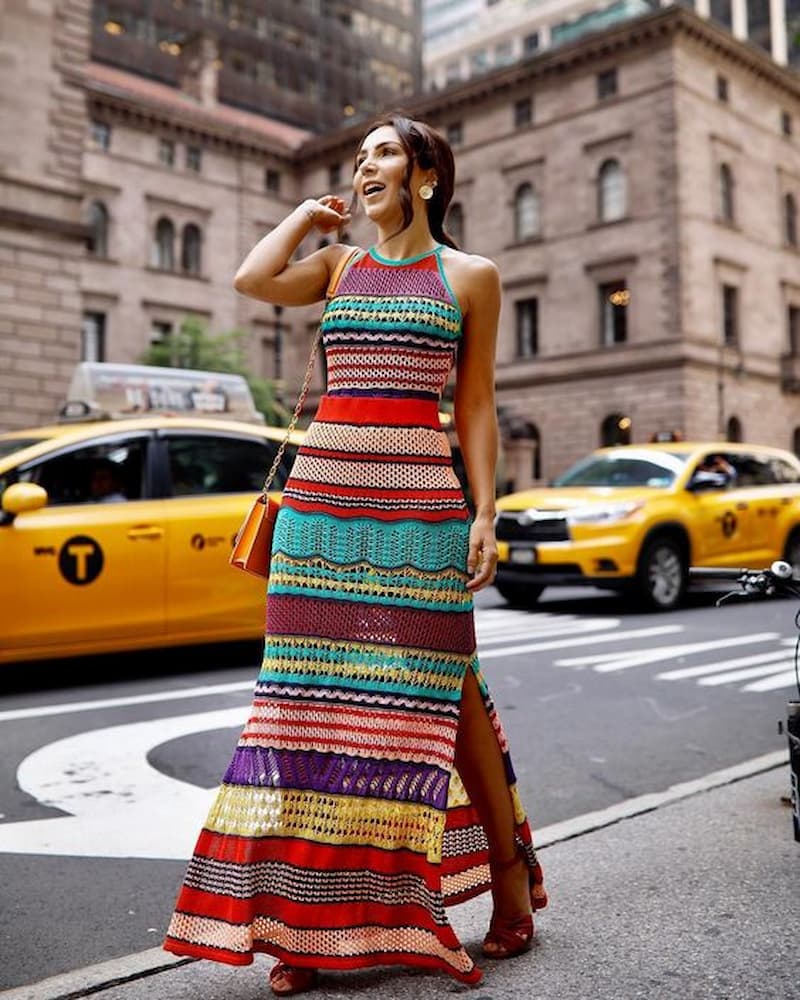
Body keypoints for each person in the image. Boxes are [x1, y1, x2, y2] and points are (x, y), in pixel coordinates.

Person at [163, 113, 547, 995]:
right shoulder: (338, 267)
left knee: (444, 701)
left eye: (382, 153)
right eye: (360, 156)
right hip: (319, 509)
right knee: (304, 714)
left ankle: (510, 880)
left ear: (425, 177)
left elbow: (477, 406)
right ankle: (306, 924)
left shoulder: (471, 277)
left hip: (421, 509)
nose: (365, 166)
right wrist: (306, 213)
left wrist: (487, 511)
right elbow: (251, 278)